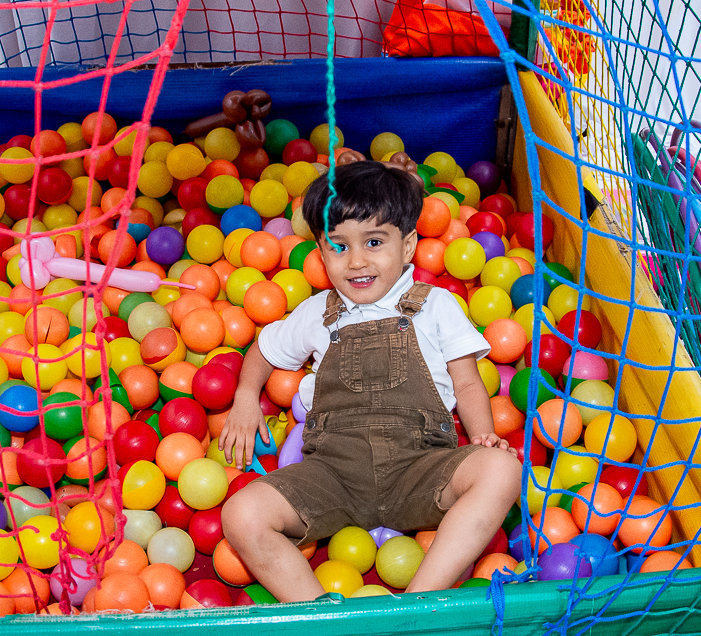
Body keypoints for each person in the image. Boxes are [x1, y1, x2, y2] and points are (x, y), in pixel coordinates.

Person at [219, 159, 521, 602]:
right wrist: (246, 397)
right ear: (320, 252)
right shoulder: (318, 311)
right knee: (241, 514)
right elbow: (264, 350)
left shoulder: (435, 305)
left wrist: (483, 437)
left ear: (408, 245)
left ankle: (419, 603)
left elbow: (469, 383)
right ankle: (322, 618)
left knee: (502, 470)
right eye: (338, 246)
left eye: (374, 242)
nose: (357, 261)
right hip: (332, 476)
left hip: (420, 469)